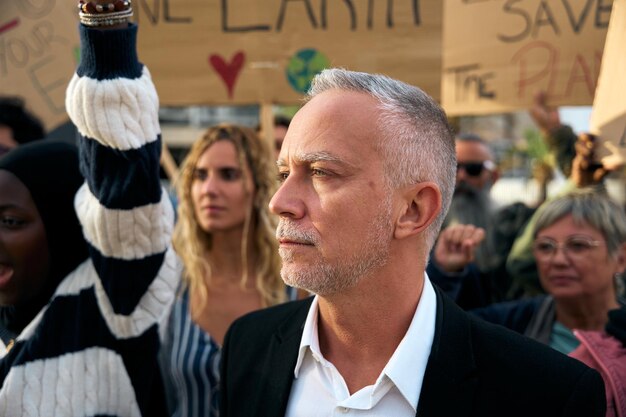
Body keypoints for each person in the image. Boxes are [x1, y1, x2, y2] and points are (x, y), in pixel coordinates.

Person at [219, 68, 606, 416]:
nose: (279, 203)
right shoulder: (248, 346)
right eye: (283, 173)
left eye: (320, 172)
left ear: (414, 209)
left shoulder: (547, 394)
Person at [0, 5, 179, 415]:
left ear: (67, 224)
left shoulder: (113, 298)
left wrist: (105, 25)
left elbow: (123, 186)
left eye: (11, 221)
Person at [160, 123, 297, 417]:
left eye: (228, 175)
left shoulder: (294, 286)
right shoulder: (173, 284)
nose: (209, 189)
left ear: (258, 187)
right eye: (200, 175)